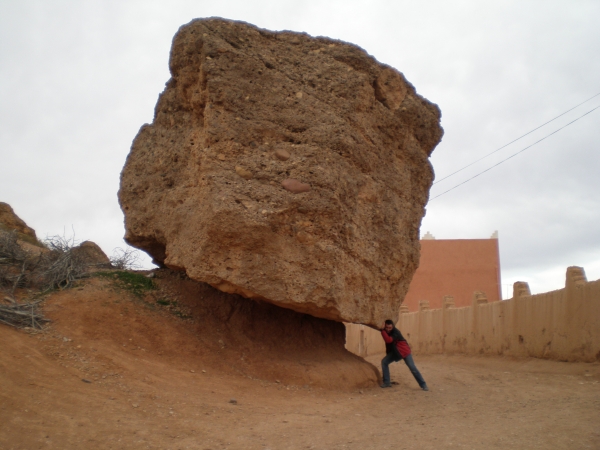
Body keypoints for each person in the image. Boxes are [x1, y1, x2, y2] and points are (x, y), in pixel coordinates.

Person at [380, 319, 428, 391]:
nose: (388, 329)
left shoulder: (396, 332)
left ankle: (423, 385)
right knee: (384, 362)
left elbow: (389, 340)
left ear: (393, 326)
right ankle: (387, 382)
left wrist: (382, 330)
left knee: (412, 368)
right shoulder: (387, 331)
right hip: (395, 353)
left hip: (404, 352)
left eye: (390, 328)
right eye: (386, 327)